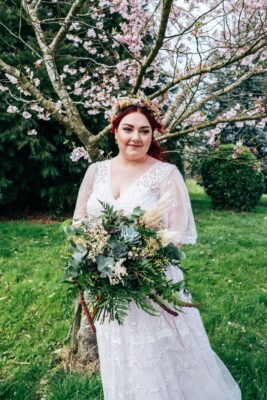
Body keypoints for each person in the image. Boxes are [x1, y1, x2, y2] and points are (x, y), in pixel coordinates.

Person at [73, 96, 242, 400]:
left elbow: (176, 233)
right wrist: (95, 255)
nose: (136, 137)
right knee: (121, 352)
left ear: (153, 135)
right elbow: (79, 222)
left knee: (159, 352)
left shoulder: (165, 174)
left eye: (144, 131)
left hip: (151, 280)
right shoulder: (95, 172)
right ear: (115, 131)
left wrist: (137, 260)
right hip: (107, 284)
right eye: (128, 129)